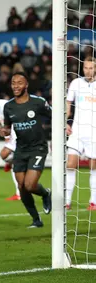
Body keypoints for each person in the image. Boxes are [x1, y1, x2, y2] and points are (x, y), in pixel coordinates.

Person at [0, 72, 52, 228]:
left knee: (30, 185)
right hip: (21, 149)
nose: (16, 86)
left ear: (26, 85)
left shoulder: (38, 102)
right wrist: (5, 131)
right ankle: (36, 220)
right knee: (22, 186)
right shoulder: (8, 106)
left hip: (38, 148)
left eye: (19, 83)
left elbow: (55, 116)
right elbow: (8, 127)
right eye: (13, 82)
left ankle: (45, 193)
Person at [66, 57, 96, 210]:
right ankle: (67, 201)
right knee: (70, 164)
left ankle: (93, 202)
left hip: (94, 132)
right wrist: (66, 122)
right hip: (77, 130)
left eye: (91, 68)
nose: (88, 70)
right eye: (86, 68)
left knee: (94, 166)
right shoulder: (76, 83)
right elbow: (68, 103)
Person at [0, 99, 20, 201]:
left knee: (4, 155)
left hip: (18, 132)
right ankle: (19, 193)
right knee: (10, 161)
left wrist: (7, 139)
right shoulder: (0, 111)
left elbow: (5, 124)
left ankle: (9, 162)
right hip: (15, 132)